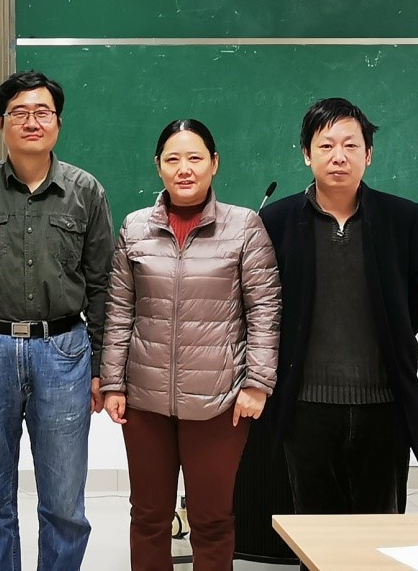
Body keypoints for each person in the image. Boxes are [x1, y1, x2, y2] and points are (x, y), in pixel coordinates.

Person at [0, 70, 114, 571]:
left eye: (42, 112)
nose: (31, 121)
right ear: (1, 123)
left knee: (64, 503)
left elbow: (102, 285)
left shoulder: (85, 191)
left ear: (58, 122)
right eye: (19, 112)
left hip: (63, 352)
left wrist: (101, 368)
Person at [99, 119, 281, 571]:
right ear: (158, 166)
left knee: (212, 520)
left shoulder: (245, 226)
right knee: (149, 517)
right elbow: (119, 310)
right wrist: (113, 383)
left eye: (195, 158)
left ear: (214, 163)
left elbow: (264, 309)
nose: (185, 169)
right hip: (145, 401)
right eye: (173, 159)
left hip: (219, 401)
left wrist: (257, 383)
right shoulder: (135, 227)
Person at [260, 97, 418, 517]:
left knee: (379, 529)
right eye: (325, 146)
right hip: (306, 405)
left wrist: (392, 330)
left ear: (368, 154)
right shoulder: (277, 222)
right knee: (315, 531)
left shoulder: (401, 218)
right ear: (307, 155)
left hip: (384, 402)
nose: (338, 156)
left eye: (350, 145)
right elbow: (263, 302)